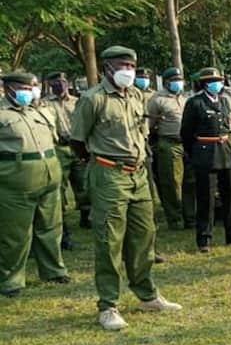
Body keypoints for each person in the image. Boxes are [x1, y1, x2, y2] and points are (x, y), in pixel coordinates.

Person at [70, 46, 180, 330]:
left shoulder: (136, 96)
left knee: (144, 235)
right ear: (107, 68)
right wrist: (101, 163)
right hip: (109, 174)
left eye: (131, 66)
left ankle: (147, 294)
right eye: (122, 66)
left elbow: (141, 133)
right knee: (109, 239)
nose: (128, 71)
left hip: (138, 174)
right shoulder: (93, 99)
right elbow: (78, 142)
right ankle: (108, 305)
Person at [0, 72, 71, 297]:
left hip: (48, 176)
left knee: (51, 227)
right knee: (15, 233)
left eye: (32, 88)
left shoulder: (38, 112)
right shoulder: (1, 114)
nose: (29, 92)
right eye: (25, 88)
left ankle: (53, 270)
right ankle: (11, 280)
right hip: (15, 180)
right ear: (10, 88)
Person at [180, 68, 231, 252]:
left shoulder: (224, 101)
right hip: (205, 153)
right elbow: (186, 133)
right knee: (206, 198)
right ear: (204, 83)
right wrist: (195, 152)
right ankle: (204, 239)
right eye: (213, 81)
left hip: (225, 149)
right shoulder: (194, 103)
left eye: (219, 80)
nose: (217, 84)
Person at [41, 71, 87, 250]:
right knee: (59, 188)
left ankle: (86, 215)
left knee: (83, 183)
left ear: (67, 83)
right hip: (58, 148)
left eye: (61, 82)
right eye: (55, 83)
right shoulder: (45, 104)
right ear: (51, 85)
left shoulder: (77, 102)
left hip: (77, 146)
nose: (59, 86)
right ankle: (62, 228)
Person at [147, 67, 195, 231]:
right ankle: (175, 219)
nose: (178, 83)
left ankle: (190, 217)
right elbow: (149, 126)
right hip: (169, 144)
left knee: (190, 181)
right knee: (172, 183)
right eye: (174, 80)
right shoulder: (157, 100)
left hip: (187, 143)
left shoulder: (186, 98)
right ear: (166, 82)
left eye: (180, 79)